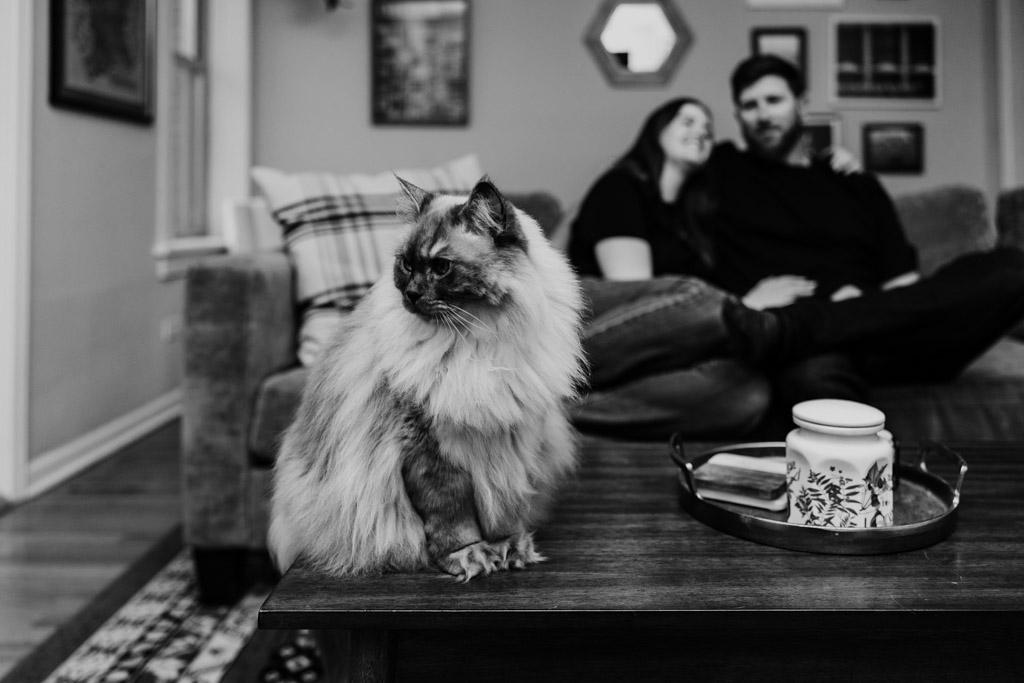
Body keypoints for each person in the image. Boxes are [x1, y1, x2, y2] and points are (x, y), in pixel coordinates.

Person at [688, 55, 1024, 421]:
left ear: (802, 103)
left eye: (774, 100)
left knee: (1011, 269)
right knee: (814, 381)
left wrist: (865, 307)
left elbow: (905, 285)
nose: (764, 115)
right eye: (750, 106)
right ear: (737, 116)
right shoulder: (721, 172)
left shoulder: (856, 184)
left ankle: (800, 326)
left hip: (881, 337)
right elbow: (653, 168)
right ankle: (801, 333)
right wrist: (748, 303)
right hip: (809, 355)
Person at [567, 97, 857, 440]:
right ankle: (537, 383)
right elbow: (640, 296)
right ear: (656, 131)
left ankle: (558, 414)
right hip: (600, 319)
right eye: (687, 122)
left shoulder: (694, 219)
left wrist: (825, 162)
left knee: (747, 395)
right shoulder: (621, 187)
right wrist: (746, 307)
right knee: (702, 299)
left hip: (650, 354)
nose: (701, 132)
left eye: (707, 128)